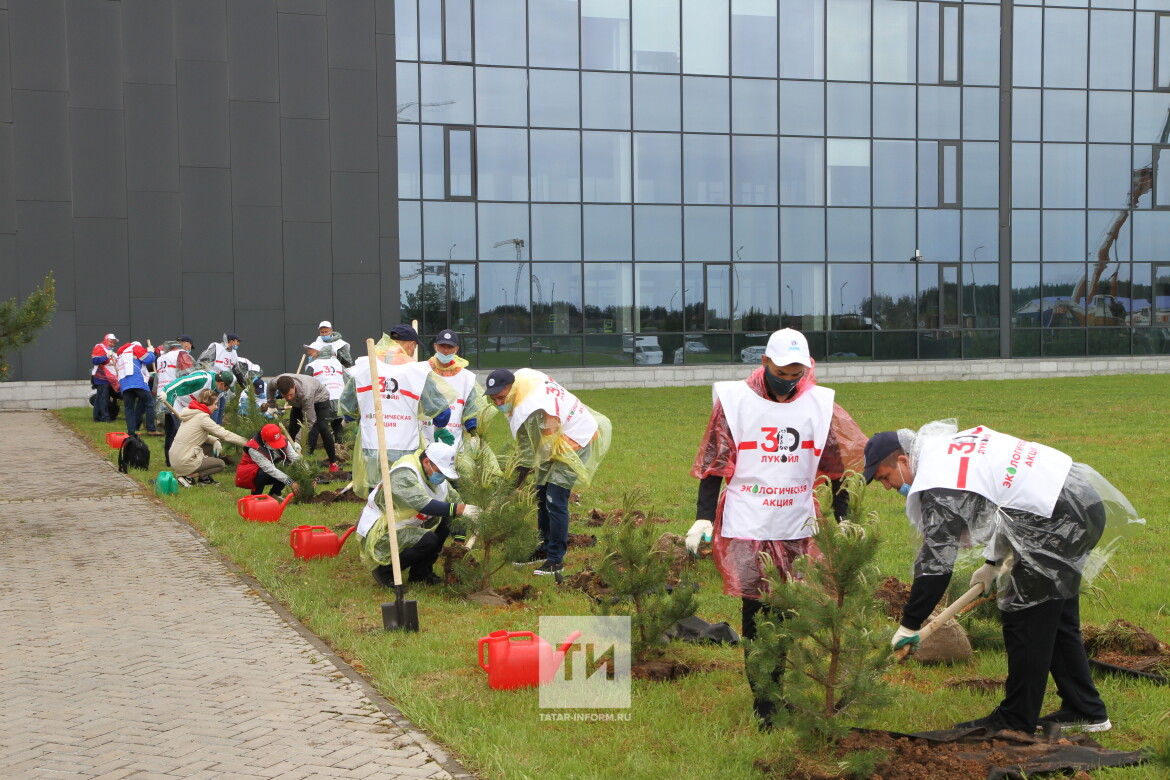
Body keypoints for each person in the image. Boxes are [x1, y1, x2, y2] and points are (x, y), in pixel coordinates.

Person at [865, 421, 1143, 735]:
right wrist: (993, 563)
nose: (888, 488)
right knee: (1056, 617)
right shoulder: (945, 453)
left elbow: (936, 563)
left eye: (885, 478)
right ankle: (1086, 710)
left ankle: (1016, 720)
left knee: (1025, 619)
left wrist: (910, 623)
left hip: (1058, 517)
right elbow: (1007, 506)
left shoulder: (938, 478)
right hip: (1077, 502)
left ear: (902, 461)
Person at [684, 328, 867, 729]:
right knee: (756, 608)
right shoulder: (734, 403)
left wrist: (846, 518)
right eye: (782, 370)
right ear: (765, 363)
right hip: (748, 521)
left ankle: (780, 687)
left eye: (797, 371)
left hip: (796, 522)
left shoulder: (820, 405)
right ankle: (764, 701)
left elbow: (838, 469)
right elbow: (715, 463)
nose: (789, 379)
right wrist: (703, 516)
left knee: (786, 608)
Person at [484, 367, 611, 576]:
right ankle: (543, 547)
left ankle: (555, 560)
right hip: (552, 439)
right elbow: (532, 446)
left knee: (555, 498)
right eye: (493, 399)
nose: (498, 403)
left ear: (510, 388)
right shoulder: (522, 381)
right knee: (541, 493)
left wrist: (509, 487)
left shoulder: (531, 408)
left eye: (500, 397)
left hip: (575, 440)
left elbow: (526, 457)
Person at [356, 442, 480, 587]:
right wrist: (459, 509)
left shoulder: (436, 476)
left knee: (447, 518)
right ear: (427, 462)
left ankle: (421, 573)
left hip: (408, 522)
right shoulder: (405, 473)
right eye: (441, 472)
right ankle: (385, 571)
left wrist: (459, 542)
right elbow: (421, 503)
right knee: (429, 540)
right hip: (381, 529)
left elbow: (456, 503)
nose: (442, 478)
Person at [339, 350, 456, 494]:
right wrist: (439, 426)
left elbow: (348, 408)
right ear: (412, 345)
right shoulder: (417, 372)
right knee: (403, 487)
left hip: (372, 444)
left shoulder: (364, 368)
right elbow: (441, 410)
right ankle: (401, 515)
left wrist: (359, 417)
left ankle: (378, 514)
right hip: (405, 443)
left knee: (376, 489)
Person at [169, 389, 249, 486]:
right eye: (215, 404)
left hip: (175, 457)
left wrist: (215, 440)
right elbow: (225, 434)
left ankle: (204, 479)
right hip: (184, 460)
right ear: (207, 403)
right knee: (220, 464)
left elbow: (198, 436)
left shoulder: (191, 413)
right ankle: (188, 476)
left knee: (210, 445)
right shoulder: (202, 418)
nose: (216, 407)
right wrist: (248, 442)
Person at [419, 330, 484, 449]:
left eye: (450, 347)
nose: (445, 350)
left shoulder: (466, 377)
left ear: (456, 349)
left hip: (453, 440)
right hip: (425, 437)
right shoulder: (421, 370)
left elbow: (470, 408)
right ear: (435, 346)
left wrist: (473, 433)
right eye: (442, 346)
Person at [159, 370, 235, 466]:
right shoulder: (203, 378)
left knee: (192, 433)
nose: (225, 391)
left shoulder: (218, 392)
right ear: (222, 384)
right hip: (178, 401)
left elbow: (209, 408)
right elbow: (182, 381)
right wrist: (165, 391)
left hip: (192, 407)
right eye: (227, 388)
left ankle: (188, 458)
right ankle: (171, 461)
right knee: (177, 431)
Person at [271, 373, 341, 473]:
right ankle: (289, 461)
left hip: (320, 400)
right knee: (292, 429)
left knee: (323, 428)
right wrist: (271, 405)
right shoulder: (275, 382)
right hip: (299, 402)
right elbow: (270, 388)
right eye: (286, 396)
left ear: (294, 387)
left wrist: (298, 441)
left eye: (291, 394)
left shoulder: (306, 392)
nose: (289, 398)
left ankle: (333, 463)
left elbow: (309, 421)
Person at [235, 423, 300, 497]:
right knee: (262, 473)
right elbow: (269, 469)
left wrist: (309, 473)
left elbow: (294, 457)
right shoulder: (253, 448)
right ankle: (256, 496)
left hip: (270, 469)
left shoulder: (282, 439)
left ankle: (275, 494)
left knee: (285, 465)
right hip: (251, 473)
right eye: (273, 443)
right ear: (264, 439)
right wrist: (290, 482)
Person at [303, 343, 346, 451]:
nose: (310, 355)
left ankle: (310, 449)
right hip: (340, 398)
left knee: (317, 424)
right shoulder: (337, 363)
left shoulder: (313, 365)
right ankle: (340, 446)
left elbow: (306, 384)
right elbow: (347, 378)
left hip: (324, 399)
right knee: (337, 424)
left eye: (311, 353)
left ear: (318, 352)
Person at [115, 340, 161, 436]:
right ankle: (151, 429)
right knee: (149, 402)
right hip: (137, 381)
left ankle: (131, 432)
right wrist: (150, 351)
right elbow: (148, 360)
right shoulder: (136, 348)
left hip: (125, 383)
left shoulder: (121, 353)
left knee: (129, 408)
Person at [90, 333, 120, 422]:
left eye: (114, 343)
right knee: (103, 398)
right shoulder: (100, 347)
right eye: (111, 342)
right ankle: (105, 417)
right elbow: (95, 361)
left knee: (100, 397)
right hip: (101, 377)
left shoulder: (112, 352)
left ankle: (97, 417)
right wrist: (106, 356)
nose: (112, 344)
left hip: (107, 378)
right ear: (106, 340)